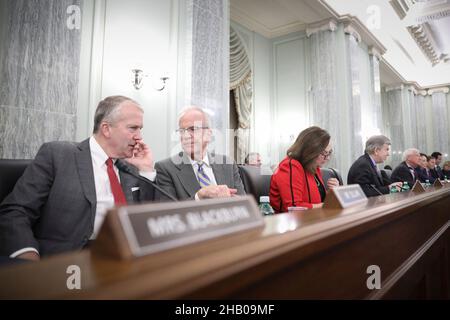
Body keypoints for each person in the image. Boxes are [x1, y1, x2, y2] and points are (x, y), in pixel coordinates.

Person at [0, 96, 158, 260]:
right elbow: (15, 212)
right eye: (133, 128)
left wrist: (146, 170)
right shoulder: (58, 155)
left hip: (124, 257)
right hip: (67, 260)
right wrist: (27, 254)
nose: (139, 137)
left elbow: (148, 219)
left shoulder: (131, 167)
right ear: (106, 129)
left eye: (140, 129)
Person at [155, 106, 245, 200]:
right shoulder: (165, 168)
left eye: (193, 129)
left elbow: (243, 203)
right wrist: (199, 196)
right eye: (182, 131)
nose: (186, 136)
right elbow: (168, 212)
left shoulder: (228, 164)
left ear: (208, 134)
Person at [269, 126, 339, 213]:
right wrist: (326, 206)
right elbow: (294, 207)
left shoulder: (314, 167)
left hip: (313, 219)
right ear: (310, 151)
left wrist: (332, 192)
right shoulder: (290, 166)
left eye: (329, 153)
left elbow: (317, 201)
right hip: (293, 223)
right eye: (324, 153)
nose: (327, 158)